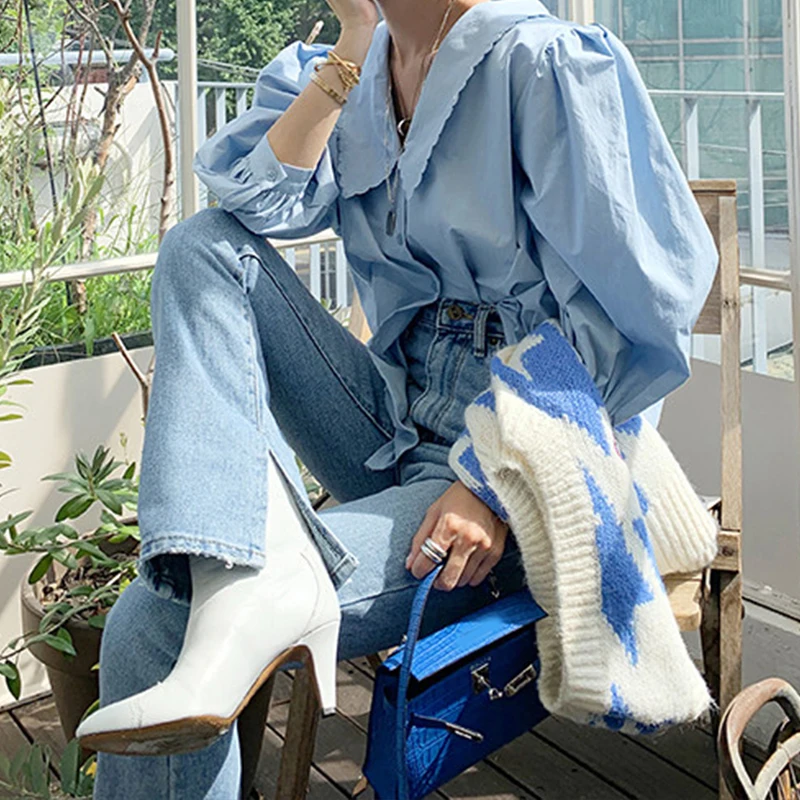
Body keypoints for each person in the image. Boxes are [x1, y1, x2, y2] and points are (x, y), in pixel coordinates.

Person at [76, 0, 719, 795]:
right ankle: (235, 567)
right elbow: (254, 204)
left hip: (516, 459)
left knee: (151, 623)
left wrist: (489, 482)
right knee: (202, 248)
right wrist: (352, 43)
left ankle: (237, 595)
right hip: (391, 418)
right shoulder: (358, 71)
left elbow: (639, 317)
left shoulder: (543, 63)